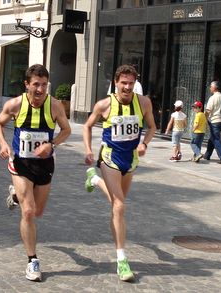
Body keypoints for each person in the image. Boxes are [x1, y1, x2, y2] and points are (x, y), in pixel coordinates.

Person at [0, 64, 71, 282]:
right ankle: (32, 260)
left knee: (37, 212)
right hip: (20, 164)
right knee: (28, 212)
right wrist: (3, 144)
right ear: (26, 84)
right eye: (36, 84)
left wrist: (52, 144)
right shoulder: (15, 104)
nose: (40, 89)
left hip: (44, 165)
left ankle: (15, 195)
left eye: (44, 85)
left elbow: (67, 130)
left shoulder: (54, 106)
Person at [83, 64, 156, 282]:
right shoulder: (104, 105)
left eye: (131, 83)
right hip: (110, 158)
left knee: (117, 206)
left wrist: (145, 143)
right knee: (120, 205)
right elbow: (87, 126)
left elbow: (152, 127)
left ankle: (94, 180)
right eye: (123, 83)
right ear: (116, 83)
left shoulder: (143, 103)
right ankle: (121, 259)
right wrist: (88, 149)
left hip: (130, 160)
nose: (127, 87)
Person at [204, 81, 221, 164]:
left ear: (214, 88)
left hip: (214, 121)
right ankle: (207, 155)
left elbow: (208, 110)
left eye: (211, 86)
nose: (210, 87)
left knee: (216, 139)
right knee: (212, 138)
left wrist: (204, 119)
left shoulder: (213, 98)